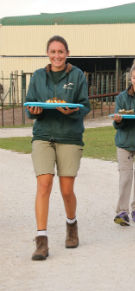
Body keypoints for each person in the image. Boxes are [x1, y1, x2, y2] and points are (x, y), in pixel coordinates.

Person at [25, 35, 90, 260]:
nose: (57, 56)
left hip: (69, 136)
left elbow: (85, 106)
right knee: (44, 184)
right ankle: (41, 240)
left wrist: (73, 111)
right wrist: (33, 111)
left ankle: (71, 224)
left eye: (61, 51)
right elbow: (30, 105)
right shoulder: (38, 76)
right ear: (47, 54)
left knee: (66, 190)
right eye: (53, 51)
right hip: (43, 135)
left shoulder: (78, 75)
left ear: (67, 53)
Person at [112, 57, 135, 226]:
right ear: (130, 79)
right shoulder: (121, 97)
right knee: (125, 178)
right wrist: (119, 120)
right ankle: (122, 211)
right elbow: (116, 123)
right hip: (125, 142)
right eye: (134, 77)